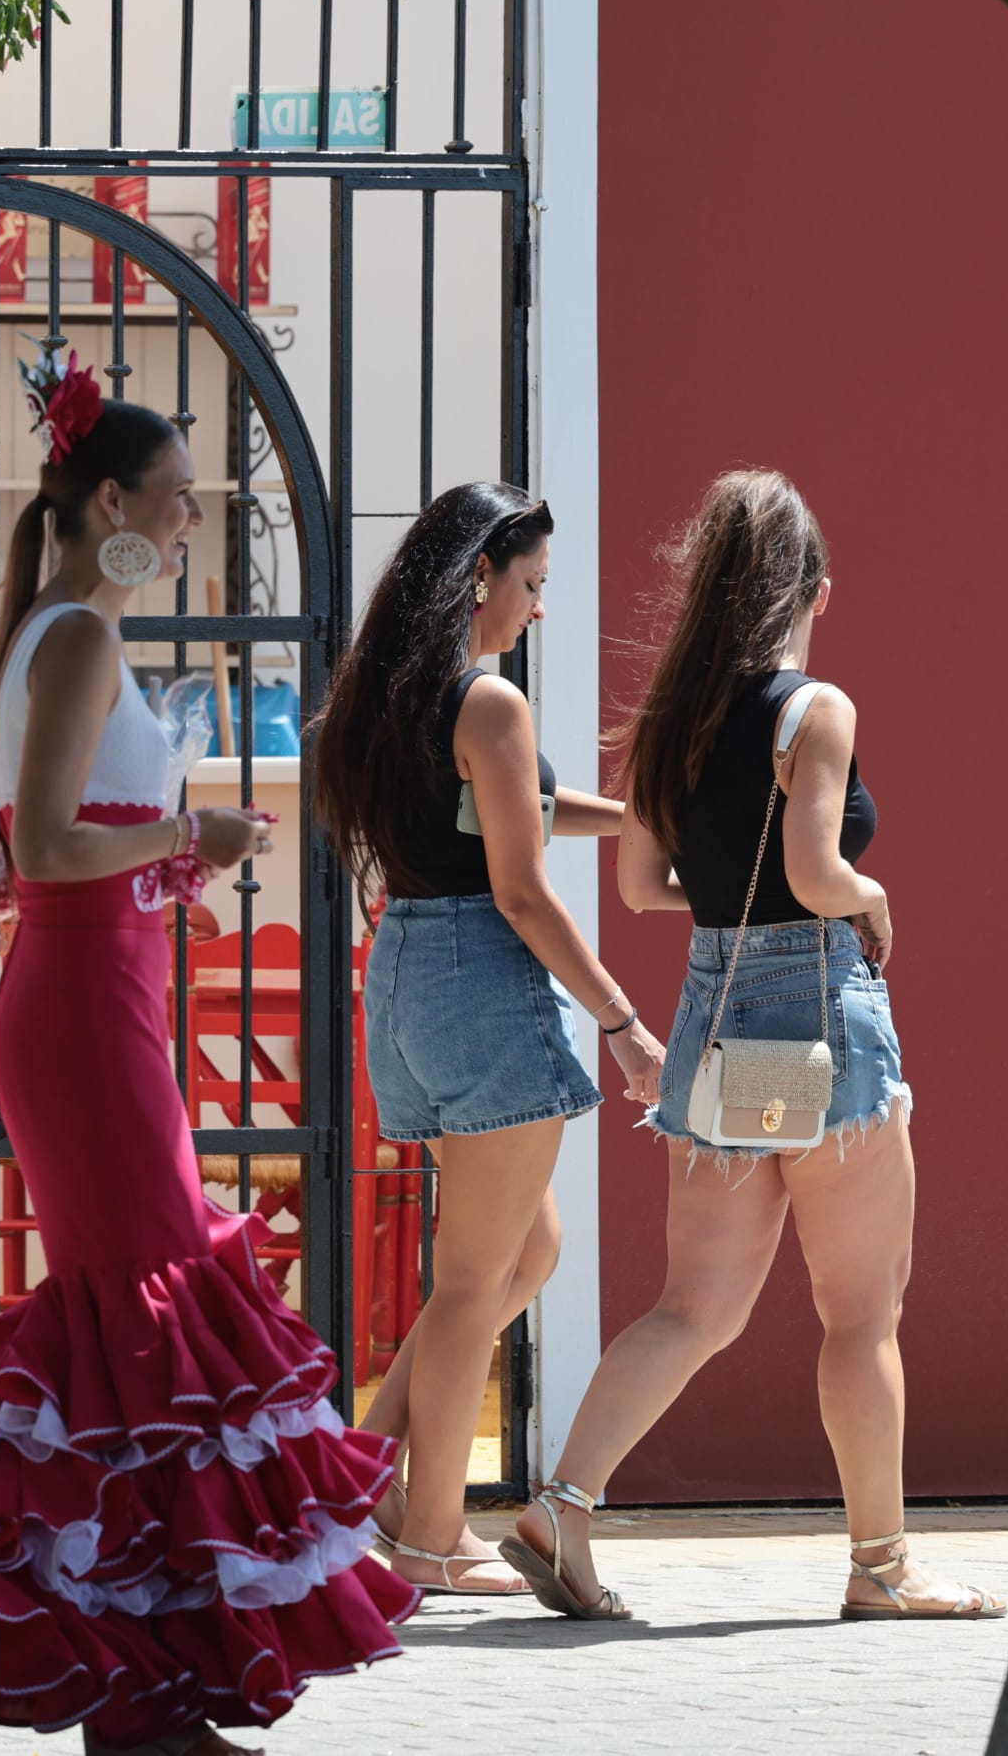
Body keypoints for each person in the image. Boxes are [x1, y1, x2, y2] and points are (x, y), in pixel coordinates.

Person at [0, 370, 418, 1756]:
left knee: (126, 1343)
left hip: (95, 1004)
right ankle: (118, 1692)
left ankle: (56, 1663)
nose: (191, 521)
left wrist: (163, 855)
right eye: (178, 497)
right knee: (142, 1332)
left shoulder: (70, 638)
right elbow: (54, 848)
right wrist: (197, 842)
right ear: (109, 502)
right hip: (80, 1020)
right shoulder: (71, 642)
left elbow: (26, 860)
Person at [498, 469, 1002, 1622]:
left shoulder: (672, 723)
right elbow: (822, 872)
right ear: (810, 588)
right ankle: (881, 1567)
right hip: (822, 1020)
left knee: (694, 1308)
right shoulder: (812, 710)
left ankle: (561, 1504)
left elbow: (638, 887)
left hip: (722, 1026)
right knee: (860, 1314)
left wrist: (736, 893)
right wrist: (865, 895)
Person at [313, 482, 665, 1598]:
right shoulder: (487, 705)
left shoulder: (385, 697)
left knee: (525, 1253)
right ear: (480, 574)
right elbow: (521, 889)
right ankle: (425, 1539)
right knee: (472, 1280)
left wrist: (650, 821)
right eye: (533, 583)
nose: (539, 607)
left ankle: (361, 1463)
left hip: (408, 975)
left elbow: (524, 813)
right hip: (479, 976)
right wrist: (622, 1021)